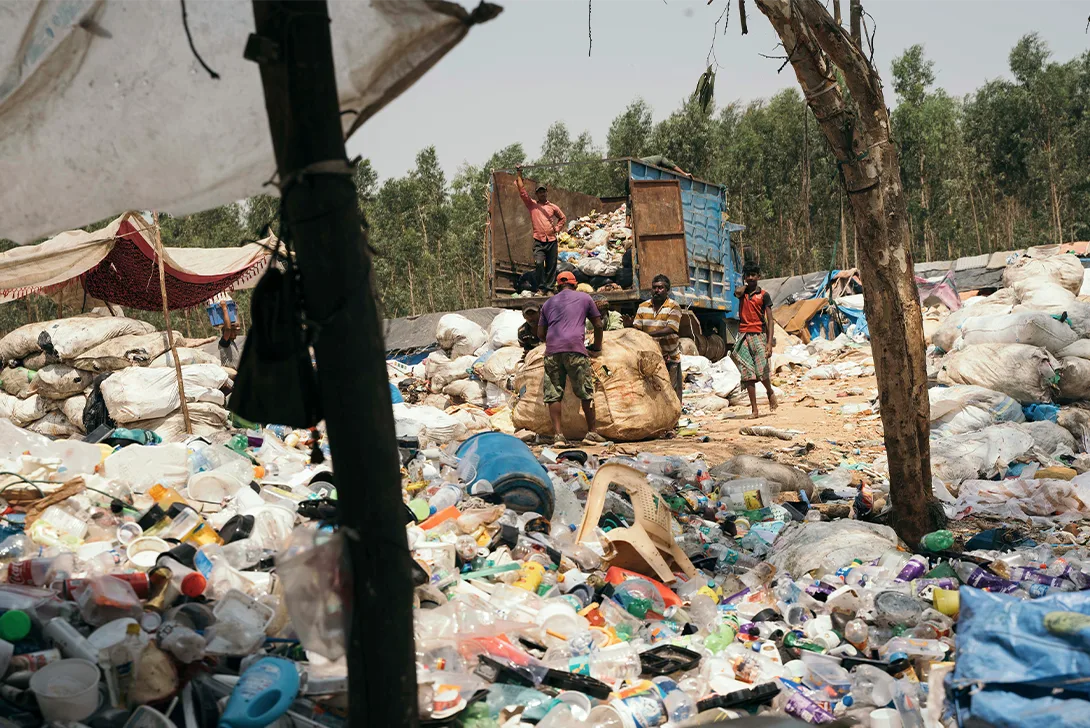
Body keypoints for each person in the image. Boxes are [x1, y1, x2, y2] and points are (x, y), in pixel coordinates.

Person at [537, 271, 606, 446]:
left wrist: (554, 343)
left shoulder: (547, 304)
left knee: (553, 394)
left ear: (557, 287)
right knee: (585, 391)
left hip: (552, 352)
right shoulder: (585, 298)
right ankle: (591, 433)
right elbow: (598, 324)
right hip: (576, 350)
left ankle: (558, 436)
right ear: (575, 285)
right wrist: (597, 346)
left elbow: (540, 334)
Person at [733, 261, 777, 418]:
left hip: (759, 334)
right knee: (747, 373)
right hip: (743, 334)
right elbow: (737, 292)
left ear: (759, 276)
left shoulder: (764, 295)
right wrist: (746, 286)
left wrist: (769, 343)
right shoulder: (742, 293)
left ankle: (769, 391)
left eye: (753, 275)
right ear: (744, 277)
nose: (751, 278)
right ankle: (754, 410)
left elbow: (770, 320)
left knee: (762, 370)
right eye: (748, 275)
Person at [516, 164, 567, 295]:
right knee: (539, 263)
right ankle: (542, 287)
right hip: (539, 240)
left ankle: (549, 289)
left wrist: (557, 228)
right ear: (537, 194)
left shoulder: (552, 207)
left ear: (546, 192)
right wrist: (519, 172)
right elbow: (522, 190)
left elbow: (562, 218)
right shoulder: (532, 205)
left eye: (543, 191)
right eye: (539, 192)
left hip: (551, 240)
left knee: (551, 266)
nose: (542, 194)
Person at [633, 274, 683, 403]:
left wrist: (647, 335)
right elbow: (637, 328)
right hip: (650, 357)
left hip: (669, 355)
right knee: (653, 392)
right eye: (654, 287)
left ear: (667, 290)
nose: (657, 290)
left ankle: (675, 418)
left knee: (671, 390)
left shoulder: (673, 306)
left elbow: (671, 328)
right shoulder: (643, 306)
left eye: (661, 288)